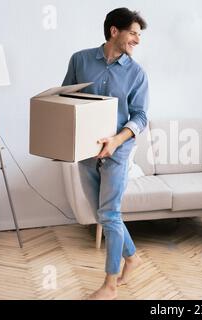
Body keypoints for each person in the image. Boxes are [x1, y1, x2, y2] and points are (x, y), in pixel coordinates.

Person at [62, 7, 149, 300]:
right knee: (102, 213)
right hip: (84, 150)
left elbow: (140, 117)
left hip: (117, 150)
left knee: (110, 213)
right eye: (133, 33)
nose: (137, 40)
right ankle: (132, 257)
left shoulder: (137, 73)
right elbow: (65, 100)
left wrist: (115, 140)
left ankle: (110, 284)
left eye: (139, 35)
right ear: (115, 30)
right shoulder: (80, 59)